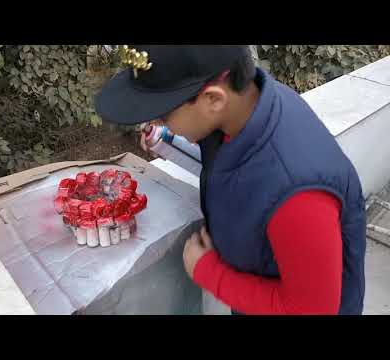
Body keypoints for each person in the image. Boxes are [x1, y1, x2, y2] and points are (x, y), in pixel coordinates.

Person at [95, 45, 366, 315]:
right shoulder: (247, 105)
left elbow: (312, 310)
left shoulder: (296, 192)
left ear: (214, 99)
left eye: (164, 115)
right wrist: (168, 142)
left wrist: (210, 272)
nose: (160, 123)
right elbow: (233, 166)